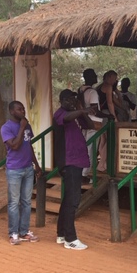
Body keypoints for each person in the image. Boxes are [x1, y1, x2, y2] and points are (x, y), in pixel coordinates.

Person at [53, 89, 96, 250]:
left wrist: (81, 110)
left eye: (74, 99)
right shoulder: (60, 114)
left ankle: (61, 234)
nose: (72, 102)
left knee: (68, 200)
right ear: (62, 101)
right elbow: (66, 118)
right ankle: (70, 239)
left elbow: (90, 126)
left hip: (77, 161)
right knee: (73, 200)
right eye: (69, 99)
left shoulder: (76, 114)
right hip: (69, 162)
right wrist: (81, 110)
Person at [0, 101, 42, 245]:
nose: (23, 111)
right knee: (13, 202)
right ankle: (13, 233)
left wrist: (36, 165)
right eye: (19, 109)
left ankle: (24, 231)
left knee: (26, 202)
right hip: (14, 170)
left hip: (28, 169)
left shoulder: (27, 126)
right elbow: (15, 146)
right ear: (12, 111)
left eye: (23, 109)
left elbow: (28, 145)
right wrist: (22, 127)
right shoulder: (6, 128)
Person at [78, 68, 106, 178]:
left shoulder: (81, 90)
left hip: (85, 122)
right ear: (89, 77)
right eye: (94, 75)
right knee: (91, 150)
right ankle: (85, 174)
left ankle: (82, 172)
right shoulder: (92, 92)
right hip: (94, 123)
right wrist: (108, 116)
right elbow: (95, 111)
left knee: (85, 148)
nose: (96, 76)